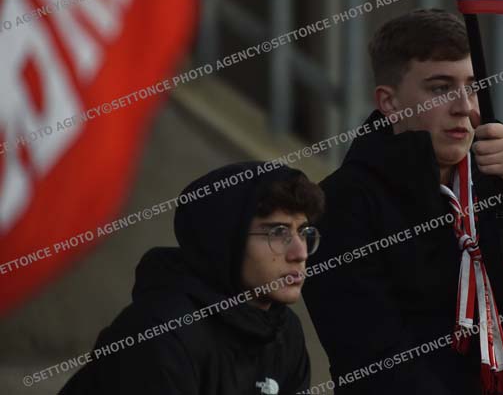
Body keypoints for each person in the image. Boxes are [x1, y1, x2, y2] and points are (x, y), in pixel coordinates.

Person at [302, 9, 503, 394]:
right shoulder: (342, 203)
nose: (465, 108)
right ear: (389, 102)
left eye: (473, 88)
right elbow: (374, 360)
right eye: (441, 88)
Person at [59, 162, 324, 395]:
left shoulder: (284, 331)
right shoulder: (161, 333)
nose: (300, 253)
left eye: (304, 233)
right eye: (278, 233)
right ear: (225, 242)